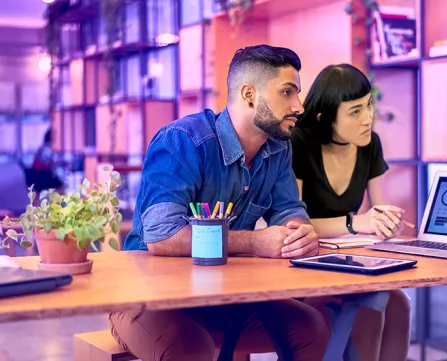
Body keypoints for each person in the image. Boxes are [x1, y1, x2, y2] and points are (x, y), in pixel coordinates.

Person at [109, 45, 330, 361]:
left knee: (311, 329)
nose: (299, 106)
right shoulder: (182, 140)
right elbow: (161, 235)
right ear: (249, 95)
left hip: (221, 295)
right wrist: (255, 242)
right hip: (143, 295)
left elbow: (288, 211)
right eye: (287, 92)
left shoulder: (278, 149)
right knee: (190, 348)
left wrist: (301, 233)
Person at [291, 63, 411, 361]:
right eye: (355, 111)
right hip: (302, 265)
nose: (367, 118)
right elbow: (294, 226)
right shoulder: (299, 143)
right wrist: (356, 222)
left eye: (368, 105)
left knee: (400, 304)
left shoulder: (370, 145)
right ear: (325, 117)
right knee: (372, 304)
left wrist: (386, 223)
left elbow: (380, 207)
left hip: (349, 261)